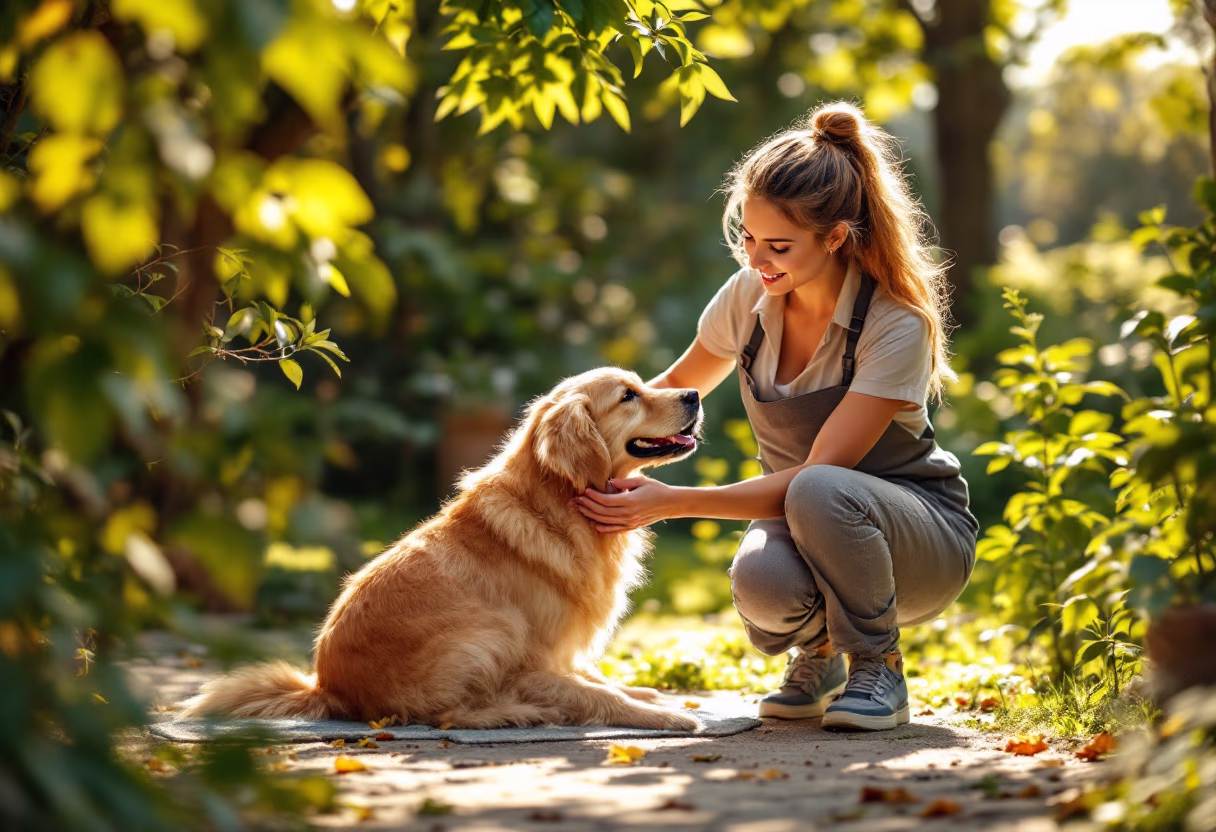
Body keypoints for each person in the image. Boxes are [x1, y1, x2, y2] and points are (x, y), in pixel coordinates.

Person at [575, 101, 980, 731]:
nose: (757, 259)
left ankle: (880, 664)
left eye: (779, 246)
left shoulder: (894, 322)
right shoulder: (749, 295)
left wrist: (669, 500)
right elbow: (671, 392)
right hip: (805, 514)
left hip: (918, 540)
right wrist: (579, 433)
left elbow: (819, 474)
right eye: (748, 237)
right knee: (761, 581)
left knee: (819, 487)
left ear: (837, 237)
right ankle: (816, 655)